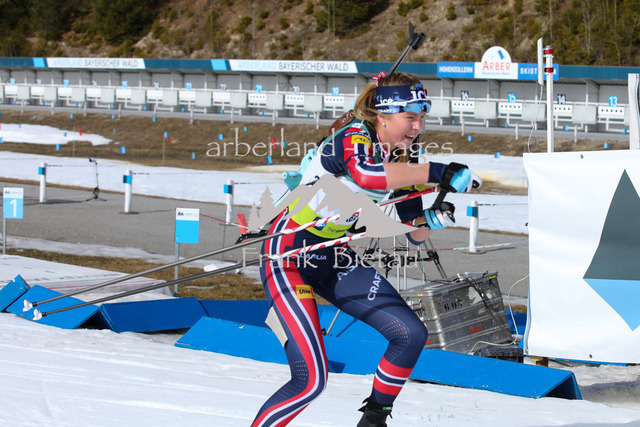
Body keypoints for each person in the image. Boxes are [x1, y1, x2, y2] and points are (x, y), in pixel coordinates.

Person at [251, 71, 481, 427]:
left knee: (410, 334)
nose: (418, 126)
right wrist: (436, 172)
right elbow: (367, 175)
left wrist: (431, 219)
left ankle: (374, 418)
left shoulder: (406, 155)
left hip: (332, 256)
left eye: (422, 116)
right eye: (410, 117)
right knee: (310, 380)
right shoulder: (353, 136)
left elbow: (414, 234)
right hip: (288, 255)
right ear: (383, 115)